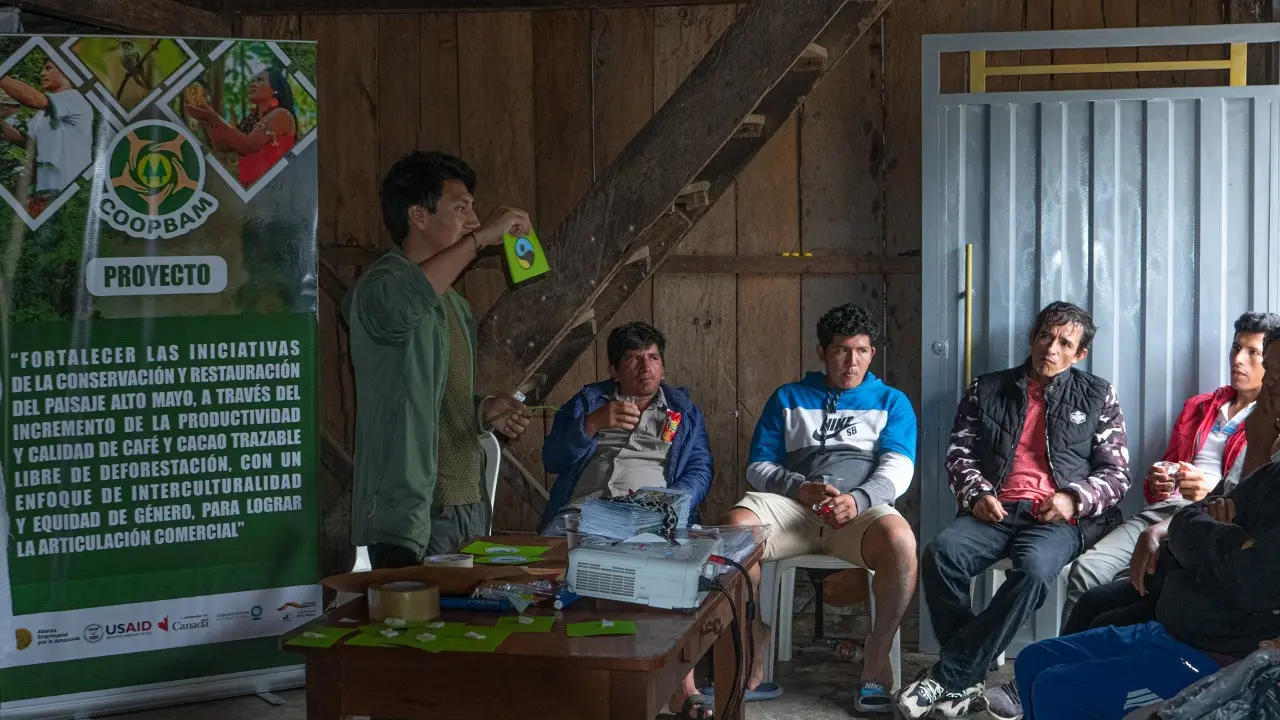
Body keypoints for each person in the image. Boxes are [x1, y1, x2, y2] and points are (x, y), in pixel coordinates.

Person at [671, 303, 918, 718]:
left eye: (860, 351)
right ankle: (754, 636)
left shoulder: (891, 402)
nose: (851, 361)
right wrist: (799, 488)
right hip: (795, 507)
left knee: (901, 542)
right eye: (841, 350)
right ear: (822, 353)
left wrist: (857, 499)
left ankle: (877, 651)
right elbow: (758, 466)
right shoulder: (788, 397)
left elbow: (899, 468)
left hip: (859, 511)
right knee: (735, 528)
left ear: (872, 353)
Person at [897, 301, 1130, 719]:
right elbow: (959, 455)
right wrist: (976, 495)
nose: (1051, 349)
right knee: (940, 553)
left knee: (1035, 570)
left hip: (1056, 517)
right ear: (1032, 337)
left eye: (1064, 343)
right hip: (995, 511)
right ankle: (970, 670)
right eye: (1045, 336)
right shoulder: (986, 388)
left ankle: (950, 675)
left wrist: (1072, 499)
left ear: (1080, 354)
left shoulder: (1098, 394)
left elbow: (1116, 474)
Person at [977, 459, 1280, 720]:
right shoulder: (1270, 476)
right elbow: (1182, 525)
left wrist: (1208, 544)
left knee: (1056, 688)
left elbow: (1252, 580)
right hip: (1168, 629)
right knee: (1034, 659)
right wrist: (1234, 542)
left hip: (1216, 657)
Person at [343, 150, 532, 569]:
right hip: (410, 514)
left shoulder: (456, 306)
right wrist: (479, 241)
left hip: (466, 503)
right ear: (419, 216)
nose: (473, 220)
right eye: (461, 208)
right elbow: (406, 302)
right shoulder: (379, 287)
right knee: (412, 631)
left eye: (474, 210)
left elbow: (433, 398)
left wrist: (484, 410)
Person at [1061, 312, 1279, 623]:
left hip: (1201, 519)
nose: (1239, 359)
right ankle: (1064, 661)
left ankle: (1099, 657)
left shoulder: (1268, 420)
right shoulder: (1201, 406)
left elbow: (1242, 497)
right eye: (1235, 348)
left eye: (1253, 353)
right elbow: (1158, 480)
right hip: (1167, 511)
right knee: (1085, 570)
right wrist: (1158, 480)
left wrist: (1207, 490)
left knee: (1129, 584)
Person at [540, 321, 712, 532]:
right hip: (583, 514)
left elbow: (700, 469)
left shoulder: (685, 413)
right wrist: (591, 424)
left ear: (663, 370)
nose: (646, 367)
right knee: (554, 559)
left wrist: (669, 503)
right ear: (614, 371)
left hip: (649, 518)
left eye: (653, 358)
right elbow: (552, 459)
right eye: (634, 358)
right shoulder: (587, 403)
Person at [0, 59, 94, 215]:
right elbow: (26, 143)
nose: (42, 73)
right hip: (45, 193)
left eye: (48, 68)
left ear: (66, 72)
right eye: (42, 69)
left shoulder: (75, 99)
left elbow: (34, 99)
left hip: (70, 191)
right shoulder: (40, 115)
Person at [185, 66, 297, 186]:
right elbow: (222, 146)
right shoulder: (252, 120)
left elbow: (249, 146)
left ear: (275, 89)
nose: (253, 84)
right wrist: (206, 118)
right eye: (253, 81)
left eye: (259, 80)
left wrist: (213, 117)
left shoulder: (282, 114)